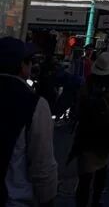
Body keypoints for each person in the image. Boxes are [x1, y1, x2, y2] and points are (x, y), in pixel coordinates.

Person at [0, 37, 57, 207]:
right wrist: (47, 199)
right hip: (13, 199)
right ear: (22, 66)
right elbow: (42, 165)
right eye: (30, 61)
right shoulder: (34, 104)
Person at [71, 52, 109, 207]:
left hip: (86, 135)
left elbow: (78, 107)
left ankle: (82, 203)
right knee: (102, 173)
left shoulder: (87, 83)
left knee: (84, 179)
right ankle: (96, 201)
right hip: (105, 136)